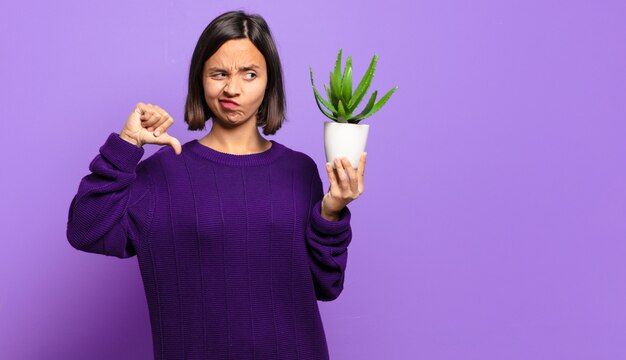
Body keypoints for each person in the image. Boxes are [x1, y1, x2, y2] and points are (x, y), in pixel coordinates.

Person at [66, 10, 366, 360]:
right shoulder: (163, 173)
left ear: (269, 83)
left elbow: (325, 285)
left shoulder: (300, 170)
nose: (232, 88)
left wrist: (331, 212)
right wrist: (127, 144)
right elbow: (85, 230)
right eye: (218, 73)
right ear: (201, 80)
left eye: (249, 74)